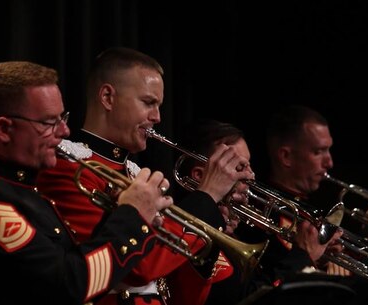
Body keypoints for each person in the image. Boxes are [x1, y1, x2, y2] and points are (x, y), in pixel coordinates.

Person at [0, 61, 173, 305]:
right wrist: (132, 215)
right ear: (5, 129)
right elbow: (71, 285)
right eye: (49, 122)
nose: (64, 131)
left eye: (63, 118)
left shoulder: (25, 188)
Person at [36, 47, 254, 305]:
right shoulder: (68, 169)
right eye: (149, 103)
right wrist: (205, 198)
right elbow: (140, 268)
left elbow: (177, 288)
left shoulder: (138, 175)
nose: (158, 117)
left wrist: (208, 236)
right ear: (108, 97)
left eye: (159, 105)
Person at [263, 104, 368, 303]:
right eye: (318, 151)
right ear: (286, 156)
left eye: (328, 150)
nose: (329, 162)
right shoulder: (267, 214)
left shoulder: (313, 209)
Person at [174, 118, 347, 305]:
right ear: (200, 176)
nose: (251, 176)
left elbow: (265, 279)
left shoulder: (235, 227)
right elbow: (249, 299)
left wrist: (315, 258)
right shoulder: (192, 233)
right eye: (239, 167)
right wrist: (302, 256)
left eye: (249, 165)